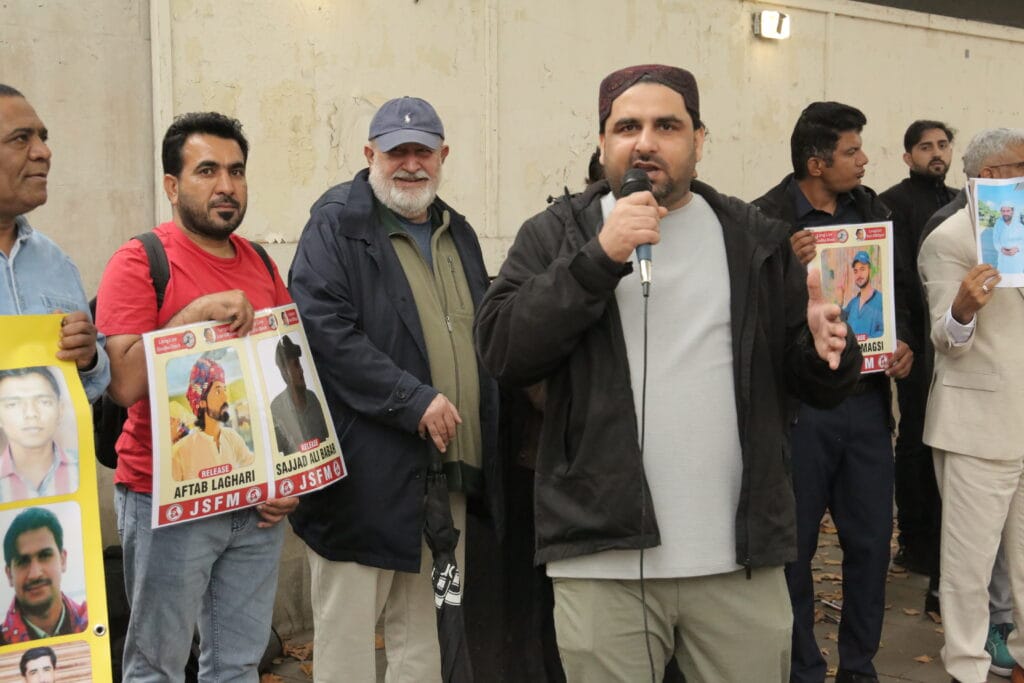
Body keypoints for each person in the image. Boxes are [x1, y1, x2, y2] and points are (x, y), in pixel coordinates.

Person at [475, 64, 860, 683]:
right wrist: (599, 258)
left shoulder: (755, 239)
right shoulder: (557, 235)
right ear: (603, 143)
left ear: (699, 140)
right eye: (627, 126)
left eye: (667, 125)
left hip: (739, 561)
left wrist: (826, 350)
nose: (646, 141)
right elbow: (503, 349)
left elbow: (811, 377)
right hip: (602, 560)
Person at [288, 96, 499, 683]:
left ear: (443, 155)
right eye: (396, 150)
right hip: (363, 477)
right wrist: (414, 399)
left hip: (444, 473)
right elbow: (323, 331)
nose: (411, 164)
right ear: (369, 153)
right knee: (349, 640)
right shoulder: (337, 224)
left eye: (423, 151)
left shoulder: (460, 232)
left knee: (425, 637)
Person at [95, 112, 297, 680]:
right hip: (167, 503)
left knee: (236, 664)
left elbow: (278, 376)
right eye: (206, 170)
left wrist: (286, 480)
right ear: (172, 185)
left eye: (236, 171)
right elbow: (124, 382)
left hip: (255, 504)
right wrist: (196, 315)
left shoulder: (259, 261)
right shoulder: (140, 260)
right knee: (155, 666)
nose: (226, 185)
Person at [753, 101, 915, 683]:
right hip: (800, 413)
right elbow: (753, 320)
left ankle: (860, 667)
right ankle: (803, 669)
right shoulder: (766, 220)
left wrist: (904, 345)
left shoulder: (875, 212)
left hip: (869, 405)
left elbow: (901, 298)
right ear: (817, 163)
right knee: (794, 553)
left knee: (872, 544)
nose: (864, 160)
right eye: (852, 150)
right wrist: (783, 269)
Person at [918, 127, 1024, 683]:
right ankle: (966, 668)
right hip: (976, 430)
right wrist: (962, 310)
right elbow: (944, 338)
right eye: (1021, 166)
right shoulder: (950, 238)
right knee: (968, 569)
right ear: (988, 177)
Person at [879, 120, 957, 615]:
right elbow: (899, 277)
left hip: (957, 337)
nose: (936, 153)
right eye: (925, 147)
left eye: (943, 145)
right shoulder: (892, 203)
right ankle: (915, 538)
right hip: (917, 341)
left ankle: (944, 539)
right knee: (914, 439)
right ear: (908, 156)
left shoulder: (958, 204)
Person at [0, 85, 108, 403]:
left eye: (42, 138)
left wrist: (88, 358)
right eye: (21, 138)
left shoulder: (56, 263)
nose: (43, 152)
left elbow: (90, 387)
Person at [0, 507, 87, 642]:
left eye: (45, 555)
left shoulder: (93, 620)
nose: (35, 574)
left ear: (63, 560)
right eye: (23, 561)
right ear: (9, 574)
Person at [170, 356, 254, 481]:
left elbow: (253, 468)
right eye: (218, 391)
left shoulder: (232, 438)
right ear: (202, 402)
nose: (225, 398)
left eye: (225, 390)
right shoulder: (180, 451)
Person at [0, 367, 77, 501]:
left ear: (61, 410)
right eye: (13, 404)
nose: (31, 413)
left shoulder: (81, 467)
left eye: (44, 402)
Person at [269, 336, 328, 455]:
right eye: (296, 365)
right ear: (284, 372)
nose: (301, 370)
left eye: (300, 364)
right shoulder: (276, 408)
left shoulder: (313, 399)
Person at [842, 250, 884, 339]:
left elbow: (885, 333)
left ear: (869, 270)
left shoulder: (881, 300)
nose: (859, 275)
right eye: (856, 271)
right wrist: (840, 299)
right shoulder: (853, 303)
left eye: (862, 269)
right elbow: (837, 322)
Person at [993, 201, 1024, 274]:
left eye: (1008, 211)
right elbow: (995, 241)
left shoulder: (1020, 226)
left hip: (1017, 260)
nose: (1005, 213)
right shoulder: (997, 225)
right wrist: (1001, 249)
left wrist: (1017, 248)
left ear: (1012, 212)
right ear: (1001, 212)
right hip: (1003, 259)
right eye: (1003, 211)